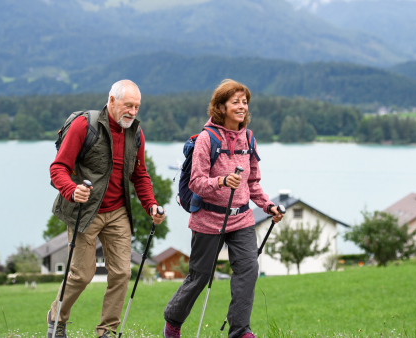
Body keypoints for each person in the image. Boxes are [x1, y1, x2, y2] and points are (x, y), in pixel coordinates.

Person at [162, 79, 283, 338]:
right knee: (200, 277)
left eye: (245, 102)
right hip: (208, 220)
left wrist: (268, 205)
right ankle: (173, 321)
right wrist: (222, 181)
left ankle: (239, 331)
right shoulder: (207, 139)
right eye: (235, 102)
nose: (242, 107)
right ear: (221, 106)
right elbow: (196, 182)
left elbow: (253, 183)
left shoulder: (249, 139)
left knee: (248, 271)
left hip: (242, 219)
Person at [47, 80, 165, 338]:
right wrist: (71, 190)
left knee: (122, 273)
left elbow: (140, 175)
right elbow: (58, 168)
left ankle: (107, 332)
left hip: (117, 212)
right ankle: (57, 318)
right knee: (81, 275)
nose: (133, 112)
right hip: (84, 212)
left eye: (137, 107)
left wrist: (151, 205)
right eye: (128, 105)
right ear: (111, 101)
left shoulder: (135, 133)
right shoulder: (84, 126)